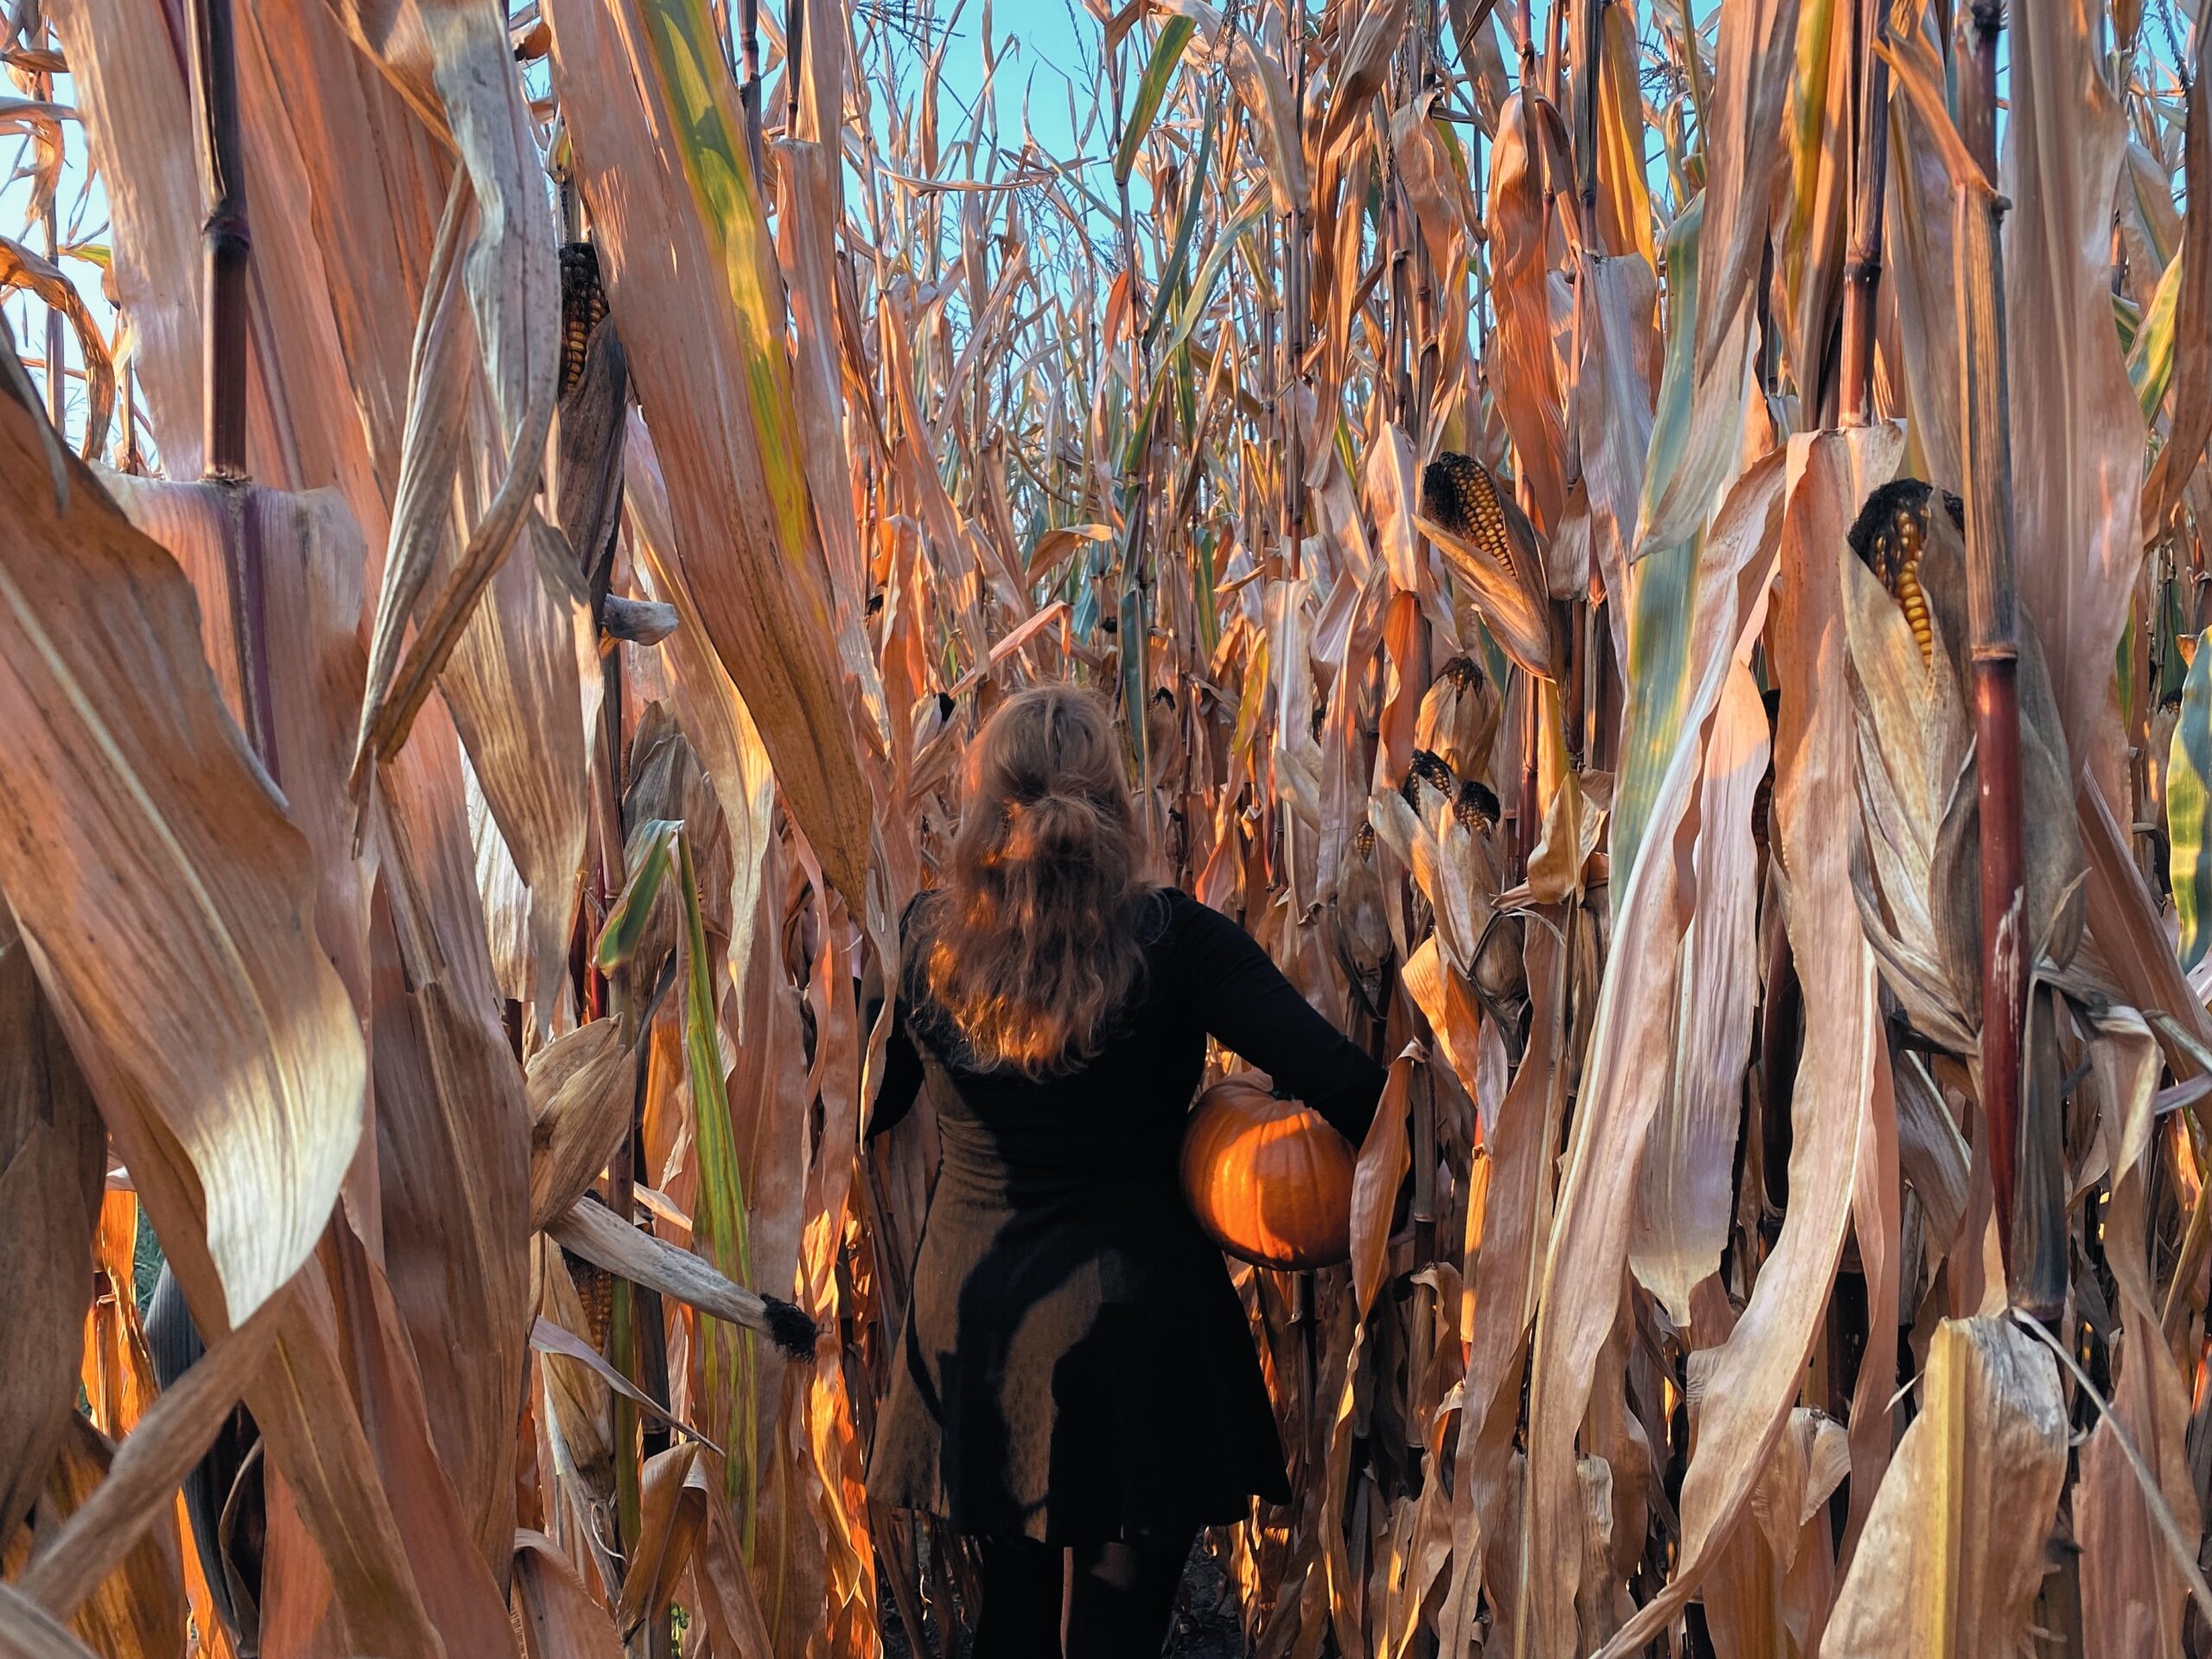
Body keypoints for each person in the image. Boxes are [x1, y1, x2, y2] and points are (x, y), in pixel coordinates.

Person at [865, 683, 1387, 1656]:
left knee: (1012, 1618)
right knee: (1120, 1629)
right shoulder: (1176, 942)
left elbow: (871, 1106)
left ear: (986, 803)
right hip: (1140, 1331)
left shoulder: (926, 943)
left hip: (981, 1324)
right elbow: (1349, 1083)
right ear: (1113, 804)